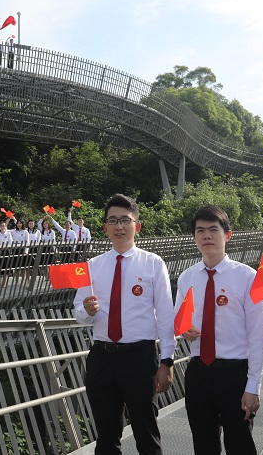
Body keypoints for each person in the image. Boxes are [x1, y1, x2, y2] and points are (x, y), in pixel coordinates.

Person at [74, 194, 175, 455]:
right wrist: (87, 311)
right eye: (113, 221)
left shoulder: (153, 263)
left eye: (125, 220)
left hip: (139, 358)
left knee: (146, 433)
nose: (119, 226)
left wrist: (167, 361)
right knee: (106, 437)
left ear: (136, 226)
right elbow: (79, 313)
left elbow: (166, 316)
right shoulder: (92, 266)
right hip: (102, 357)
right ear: (105, 227)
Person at [175, 206, 263, 454]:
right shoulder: (186, 278)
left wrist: (254, 386)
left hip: (235, 373)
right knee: (203, 444)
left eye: (213, 230)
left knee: (240, 444)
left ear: (228, 234)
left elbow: (257, 335)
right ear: (194, 237)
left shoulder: (247, 277)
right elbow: (179, 320)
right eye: (200, 231)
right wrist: (184, 329)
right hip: (198, 372)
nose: (207, 236)